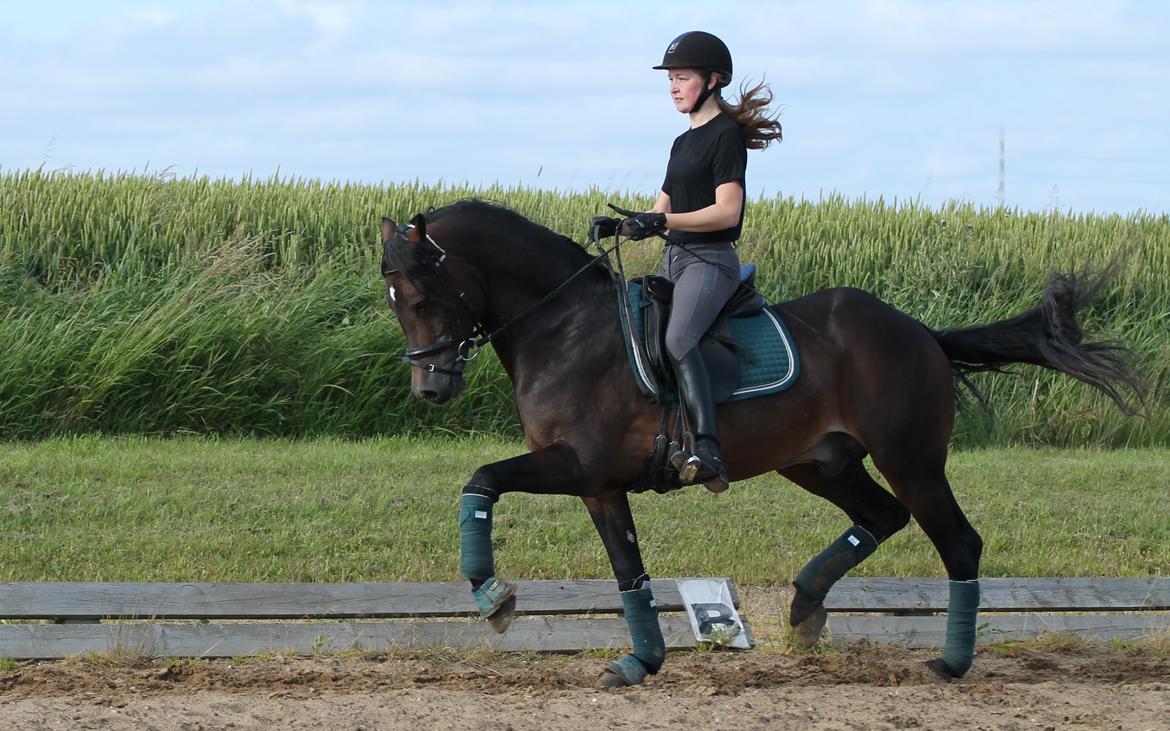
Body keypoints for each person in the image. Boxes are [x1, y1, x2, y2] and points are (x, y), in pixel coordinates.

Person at [621, 31, 781, 492]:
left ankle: (708, 448)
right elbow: (662, 207)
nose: (673, 86)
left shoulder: (724, 136)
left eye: (682, 78)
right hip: (675, 259)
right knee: (638, 330)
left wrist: (665, 220)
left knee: (678, 336)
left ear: (713, 81)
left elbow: (727, 211)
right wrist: (629, 224)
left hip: (710, 262)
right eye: (670, 79)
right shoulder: (681, 142)